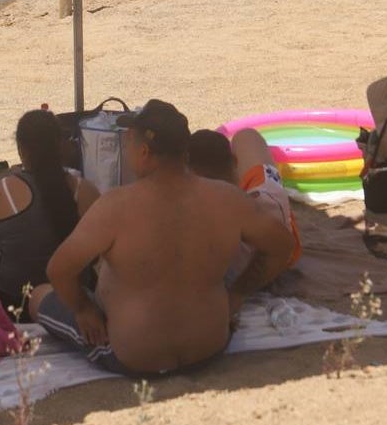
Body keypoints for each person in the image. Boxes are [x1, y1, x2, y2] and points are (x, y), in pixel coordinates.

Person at [28, 99, 293, 376]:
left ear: (143, 152)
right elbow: (281, 246)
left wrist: (83, 309)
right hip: (209, 345)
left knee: (40, 294)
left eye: (128, 143)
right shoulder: (227, 199)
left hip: (133, 355)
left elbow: (58, 270)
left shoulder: (116, 205)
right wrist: (238, 293)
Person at [0, 107, 99, 315]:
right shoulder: (87, 192)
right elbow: (99, 254)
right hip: (74, 302)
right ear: (60, 145)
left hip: (16, 305)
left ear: (21, 149)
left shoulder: (0, 193)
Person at [188, 127, 301, 289]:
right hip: (266, 214)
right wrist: (239, 294)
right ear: (234, 162)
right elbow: (284, 246)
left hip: (254, 220)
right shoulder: (266, 200)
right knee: (247, 136)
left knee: (246, 138)